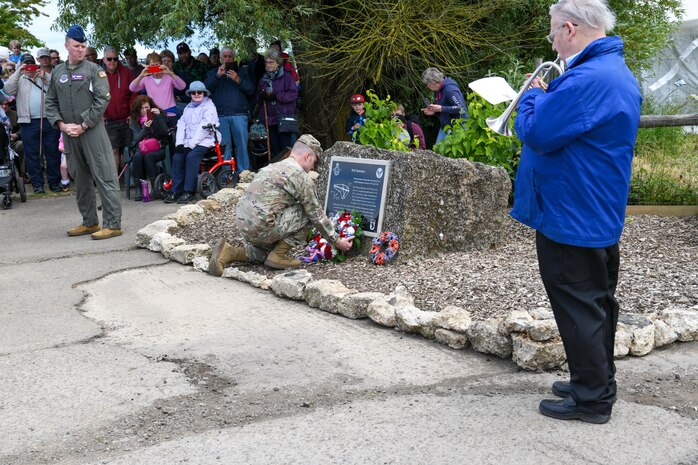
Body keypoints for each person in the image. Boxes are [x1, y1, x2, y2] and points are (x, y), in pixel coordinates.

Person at [511, 0, 641, 424]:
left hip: (572, 213)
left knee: (579, 306)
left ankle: (591, 399)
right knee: (596, 302)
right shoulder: (609, 72)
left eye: (552, 33)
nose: (552, 42)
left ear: (569, 29)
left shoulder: (589, 77)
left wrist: (530, 98)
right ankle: (596, 380)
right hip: (590, 209)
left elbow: (538, 132)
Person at [208, 134, 354, 274]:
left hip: (244, 224)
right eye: (314, 163)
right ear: (307, 156)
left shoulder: (273, 166)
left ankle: (229, 252)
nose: (312, 168)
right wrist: (336, 241)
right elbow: (316, 214)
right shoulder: (299, 176)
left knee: (266, 253)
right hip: (262, 225)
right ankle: (279, 254)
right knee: (306, 211)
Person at [45, 24, 123, 240]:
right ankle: (89, 222)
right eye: (76, 46)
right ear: (66, 46)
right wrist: (61, 125)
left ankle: (113, 224)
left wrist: (84, 124)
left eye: (83, 46)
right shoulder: (58, 73)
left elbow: (102, 100)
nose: (80, 49)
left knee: (105, 176)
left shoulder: (93, 71)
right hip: (69, 133)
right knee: (80, 179)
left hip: (92, 131)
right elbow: (50, 103)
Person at [4, 54, 62, 193]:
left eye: (31, 63)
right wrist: (18, 72)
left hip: (48, 119)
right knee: (32, 154)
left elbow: (58, 87)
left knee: (52, 152)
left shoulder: (45, 75)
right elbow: (7, 90)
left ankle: (54, 182)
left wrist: (45, 77)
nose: (29, 67)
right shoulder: (19, 79)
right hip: (28, 122)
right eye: (26, 64)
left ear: (36, 64)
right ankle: (37, 184)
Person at [164, 81, 219, 205]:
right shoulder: (188, 108)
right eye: (193, 92)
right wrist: (179, 143)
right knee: (177, 157)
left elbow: (204, 128)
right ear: (190, 95)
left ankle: (189, 191)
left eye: (199, 92)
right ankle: (176, 190)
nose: (196, 94)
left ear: (204, 93)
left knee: (191, 157)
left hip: (205, 141)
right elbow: (181, 124)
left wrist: (191, 144)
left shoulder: (209, 107)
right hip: (188, 141)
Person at [205, 47, 253, 172]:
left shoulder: (242, 71)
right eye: (225, 56)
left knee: (242, 145)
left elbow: (251, 90)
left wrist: (239, 80)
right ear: (221, 58)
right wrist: (217, 76)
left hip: (239, 113)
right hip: (220, 115)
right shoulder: (213, 73)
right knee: (225, 147)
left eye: (230, 56)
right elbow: (205, 92)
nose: (227, 59)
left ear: (234, 57)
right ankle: (226, 176)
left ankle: (244, 173)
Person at [255, 49, 298, 158]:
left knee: (286, 149)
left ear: (277, 63)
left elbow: (293, 94)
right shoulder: (263, 79)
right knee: (275, 150)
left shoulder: (286, 76)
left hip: (284, 118)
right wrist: (262, 96)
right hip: (270, 120)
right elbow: (258, 100)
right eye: (267, 62)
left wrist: (277, 96)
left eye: (271, 62)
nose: (268, 65)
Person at [129, 52, 186, 126]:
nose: (155, 68)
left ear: (161, 65)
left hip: (171, 114)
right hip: (155, 114)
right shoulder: (146, 79)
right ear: (148, 67)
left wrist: (170, 73)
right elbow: (132, 88)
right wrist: (141, 75)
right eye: (152, 66)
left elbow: (182, 86)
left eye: (157, 65)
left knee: (173, 136)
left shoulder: (169, 77)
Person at [128, 95, 168, 200]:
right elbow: (135, 140)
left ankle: (155, 189)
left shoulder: (158, 115)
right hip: (142, 149)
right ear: (137, 110)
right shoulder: (134, 121)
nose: (144, 110)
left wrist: (159, 117)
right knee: (137, 156)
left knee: (148, 157)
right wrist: (145, 129)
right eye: (141, 108)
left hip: (159, 148)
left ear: (150, 106)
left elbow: (165, 132)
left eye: (146, 107)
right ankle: (139, 189)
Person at [102, 46, 135, 172]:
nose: (112, 61)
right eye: (109, 59)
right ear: (104, 59)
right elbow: (94, 96)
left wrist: (132, 113)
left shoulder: (127, 72)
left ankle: (132, 178)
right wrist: (100, 115)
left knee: (130, 149)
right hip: (109, 120)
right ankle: (114, 181)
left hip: (127, 119)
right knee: (113, 150)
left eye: (115, 59)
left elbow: (134, 93)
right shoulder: (100, 75)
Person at [421, 67, 467, 143]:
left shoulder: (450, 90)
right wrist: (434, 111)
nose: (427, 87)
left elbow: (461, 108)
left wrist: (441, 109)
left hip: (458, 127)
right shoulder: (438, 90)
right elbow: (446, 108)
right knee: (438, 150)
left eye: (427, 85)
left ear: (433, 82)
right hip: (446, 126)